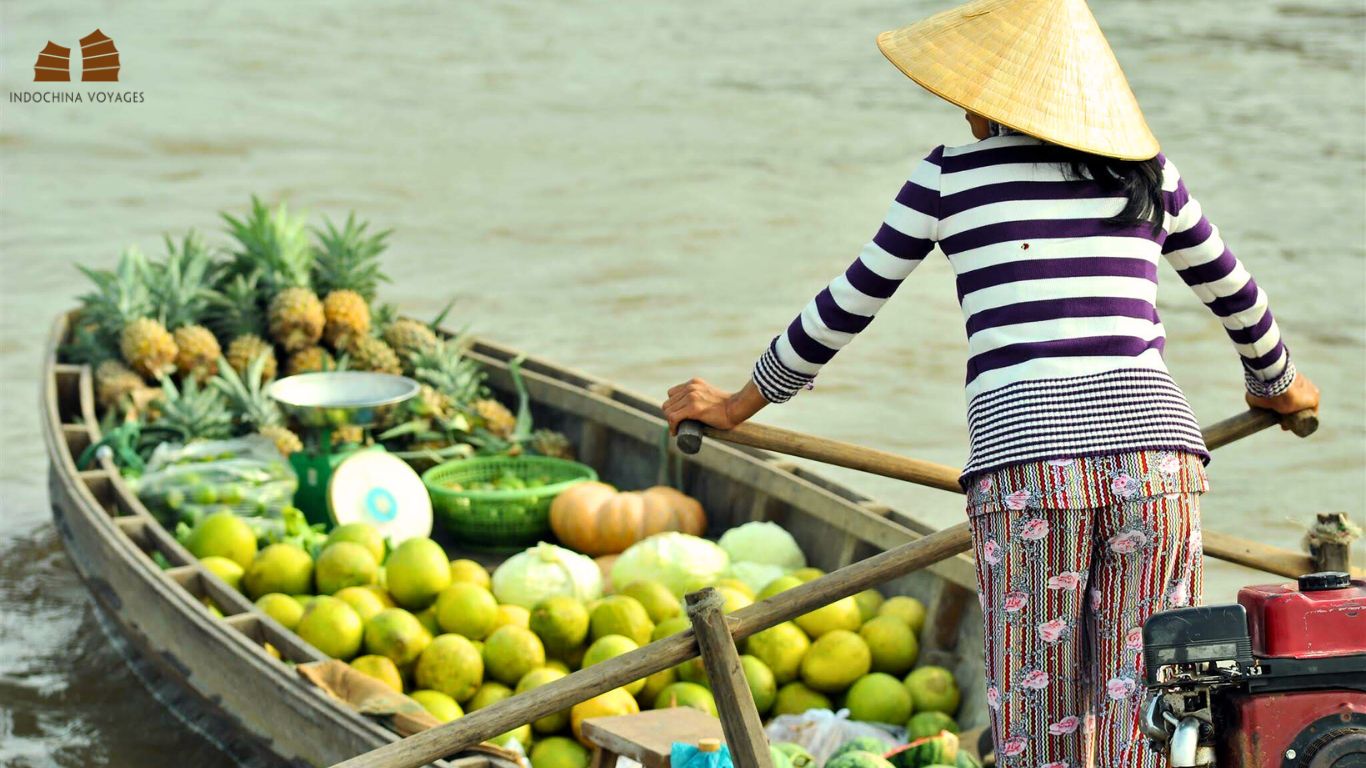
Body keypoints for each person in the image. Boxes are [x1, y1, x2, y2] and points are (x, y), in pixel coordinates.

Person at [660, 0, 1320, 765]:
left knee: (1037, 724)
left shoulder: (948, 175)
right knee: (1141, 710)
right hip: (1157, 462)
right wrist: (1278, 385)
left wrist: (745, 399)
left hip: (1029, 466)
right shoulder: (1148, 173)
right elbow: (1238, 295)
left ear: (994, 104)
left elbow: (849, 303)